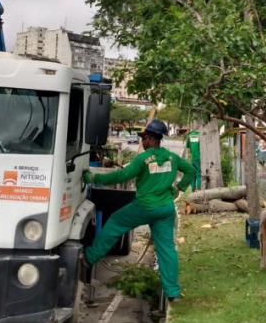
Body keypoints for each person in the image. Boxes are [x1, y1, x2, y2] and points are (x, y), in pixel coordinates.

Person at [82, 119, 196, 303]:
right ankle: (173, 293)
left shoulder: (143, 158)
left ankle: (89, 258)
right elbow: (191, 171)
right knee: (167, 249)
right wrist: (179, 188)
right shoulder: (172, 157)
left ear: (152, 139)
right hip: (166, 208)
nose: (142, 142)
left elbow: (123, 175)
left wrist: (93, 177)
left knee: (115, 222)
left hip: (144, 206)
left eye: (144, 138)